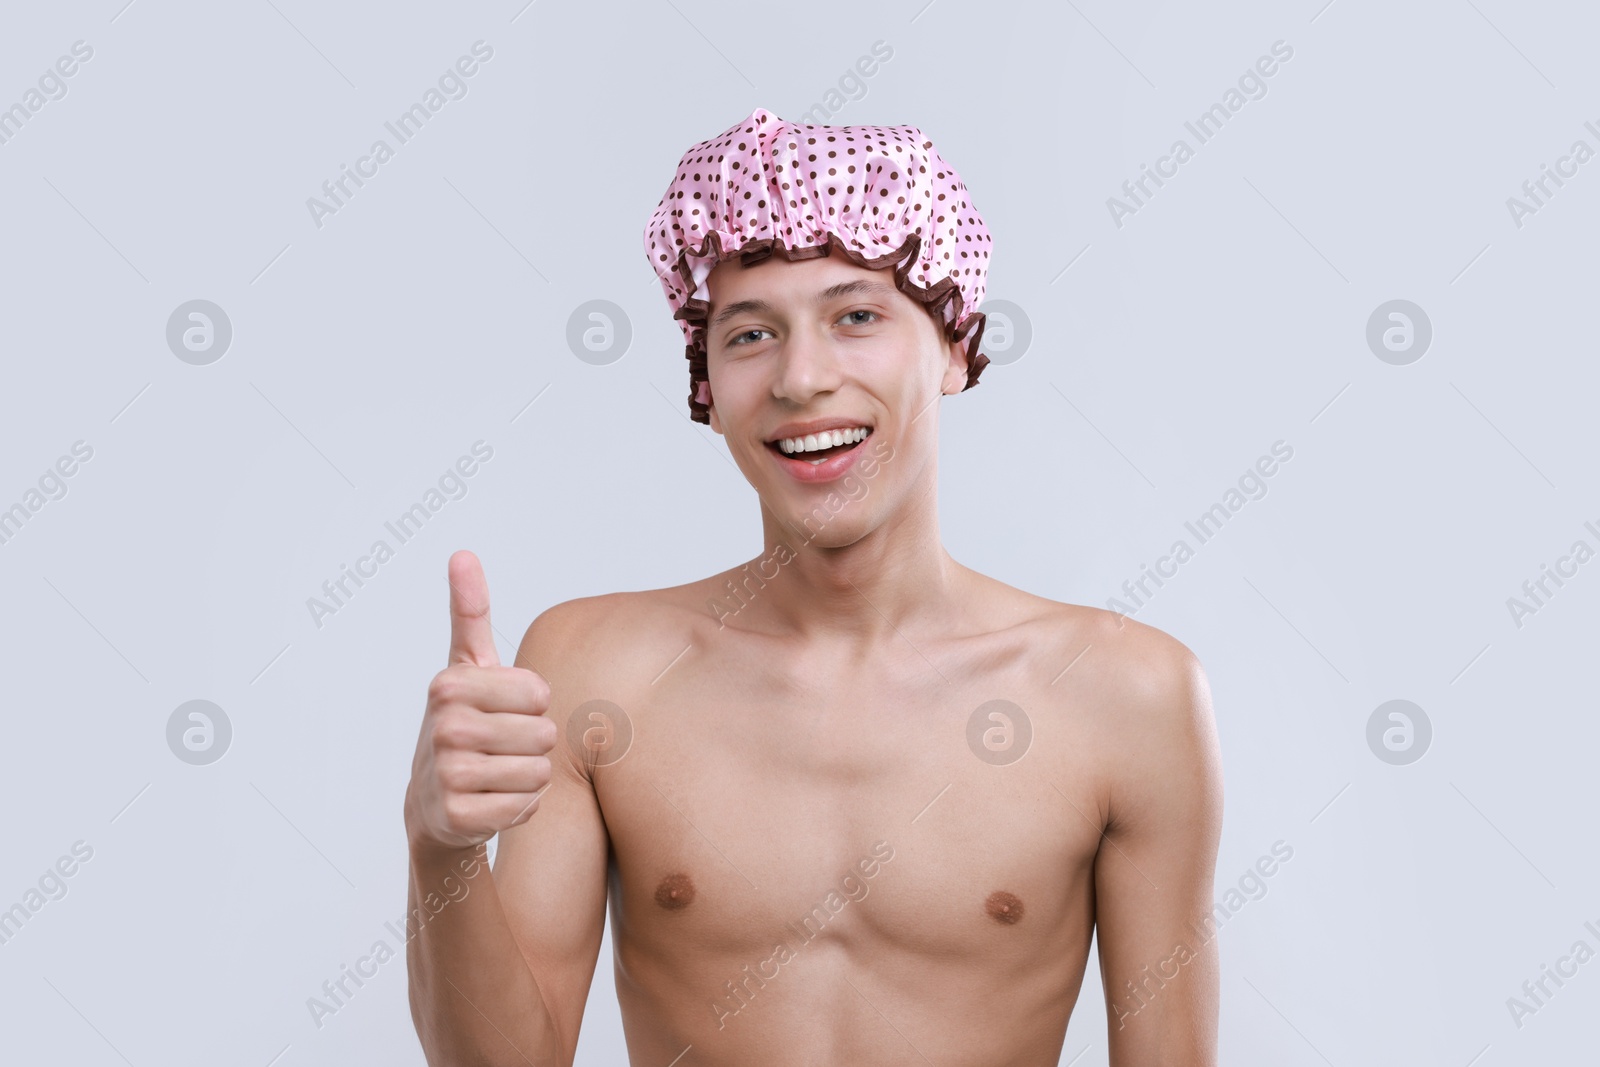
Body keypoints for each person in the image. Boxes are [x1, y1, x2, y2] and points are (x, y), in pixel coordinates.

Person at [403, 107, 1223, 1066]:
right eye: (749, 334)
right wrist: (439, 846)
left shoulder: (1128, 695)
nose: (800, 378)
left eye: (857, 317)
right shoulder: (594, 670)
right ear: (707, 386)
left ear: (956, 346)